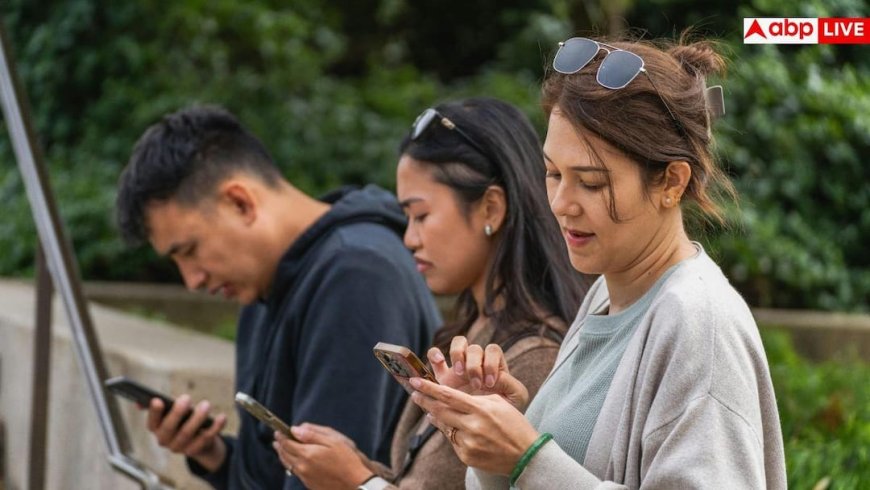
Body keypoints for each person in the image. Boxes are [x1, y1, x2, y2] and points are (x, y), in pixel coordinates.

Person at [409, 37, 788, 489]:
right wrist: (498, 439)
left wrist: (527, 459)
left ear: (671, 181)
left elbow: (542, 470)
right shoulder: (608, 293)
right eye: (553, 174)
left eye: (590, 183)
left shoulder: (698, 323)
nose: (562, 204)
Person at [115, 106, 441, 489]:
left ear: (240, 202)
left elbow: (327, 482)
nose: (192, 280)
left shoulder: (356, 277)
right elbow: (278, 473)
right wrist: (213, 454)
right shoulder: (264, 286)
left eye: (189, 250)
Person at [272, 97, 589, 489]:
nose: (409, 239)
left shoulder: (534, 357)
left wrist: (355, 482)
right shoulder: (472, 332)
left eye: (421, 215)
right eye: (407, 219)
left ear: (491, 208)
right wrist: (357, 470)